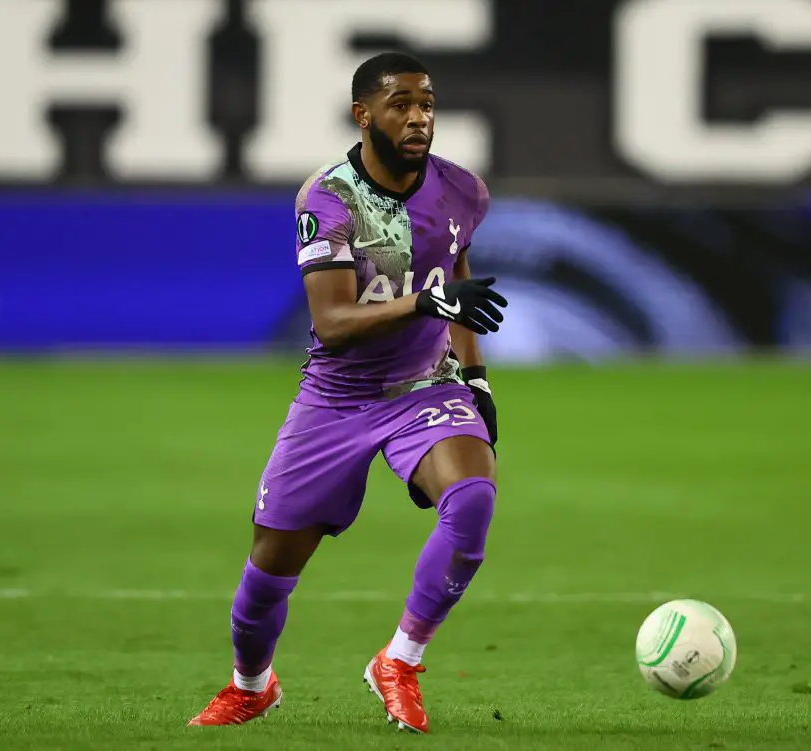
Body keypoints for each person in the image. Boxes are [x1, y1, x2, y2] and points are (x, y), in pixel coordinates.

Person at [188, 51, 507, 735]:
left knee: (474, 497)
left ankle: (401, 659)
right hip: (337, 399)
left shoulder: (462, 189)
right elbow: (332, 324)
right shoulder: (328, 199)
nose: (418, 116)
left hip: (424, 385)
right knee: (268, 573)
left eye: (426, 102)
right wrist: (428, 299)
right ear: (364, 115)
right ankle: (252, 685)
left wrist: (473, 375)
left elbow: (455, 268)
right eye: (401, 103)